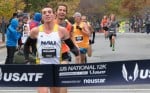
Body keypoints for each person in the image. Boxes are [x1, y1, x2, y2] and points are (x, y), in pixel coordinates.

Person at [24, 5, 79, 93]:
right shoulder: (35, 31)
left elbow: (72, 46)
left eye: (49, 12)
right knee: (43, 91)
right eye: (44, 13)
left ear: (54, 15)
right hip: (41, 67)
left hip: (56, 66)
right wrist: (28, 59)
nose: (47, 14)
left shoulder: (62, 30)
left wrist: (77, 56)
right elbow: (26, 45)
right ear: (42, 16)